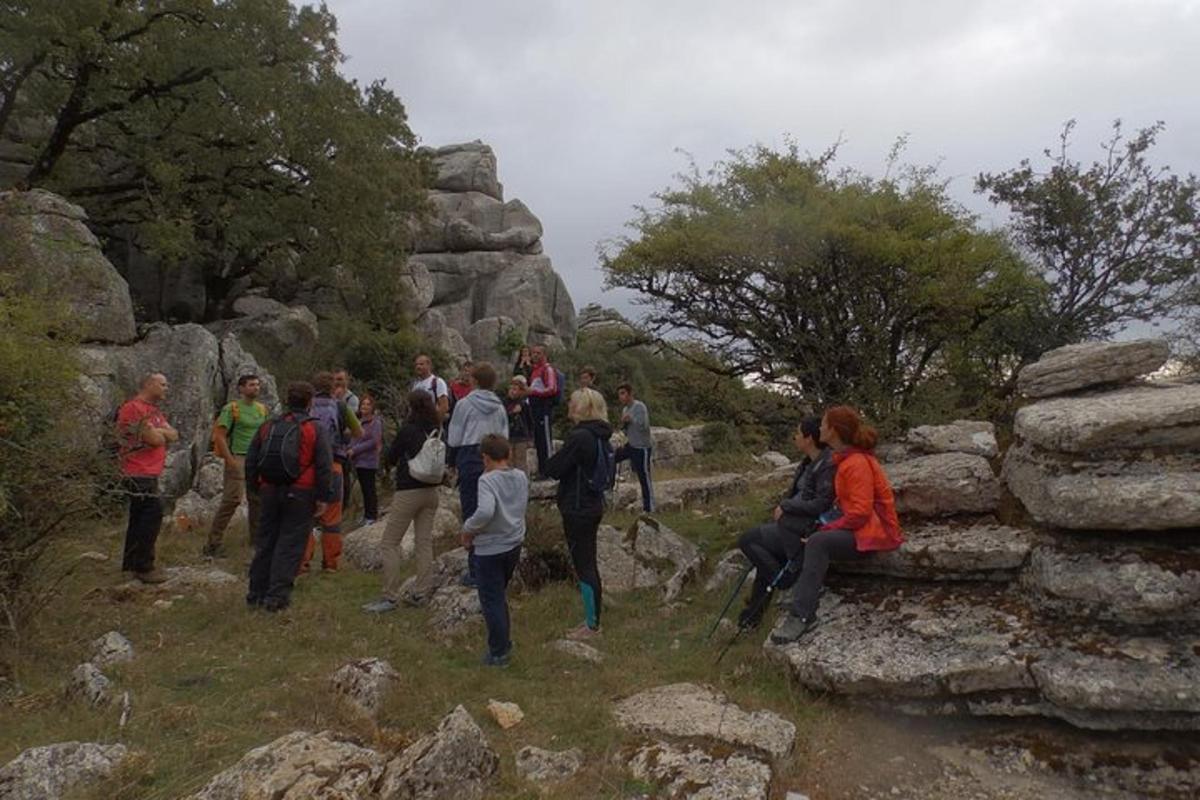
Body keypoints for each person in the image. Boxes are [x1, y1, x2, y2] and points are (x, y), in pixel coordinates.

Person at [770, 406, 904, 644]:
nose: (819, 427)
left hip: (874, 533)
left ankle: (802, 616)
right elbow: (844, 507)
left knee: (818, 542)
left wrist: (825, 529)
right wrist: (822, 523)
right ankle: (804, 584)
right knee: (793, 523)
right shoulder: (845, 460)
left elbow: (861, 514)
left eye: (823, 424)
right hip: (859, 528)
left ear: (833, 430)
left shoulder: (857, 463)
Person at [736, 416, 834, 629]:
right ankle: (751, 618)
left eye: (798, 433)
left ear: (809, 438)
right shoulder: (808, 462)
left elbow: (822, 503)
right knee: (765, 556)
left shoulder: (826, 464)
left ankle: (785, 581)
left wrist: (787, 507)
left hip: (803, 528)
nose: (795, 437)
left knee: (748, 540)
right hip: (790, 525)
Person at [245, 381, 334, 612]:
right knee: (290, 543)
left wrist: (255, 487)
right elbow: (324, 466)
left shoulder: (268, 426)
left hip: (269, 489)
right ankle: (277, 598)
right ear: (309, 402)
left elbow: (251, 459)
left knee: (265, 542)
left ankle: (255, 593)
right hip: (301, 492)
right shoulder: (314, 428)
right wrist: (324, 497)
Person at [542, 388, 613, 640]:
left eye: (572, 403)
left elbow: (555, 468)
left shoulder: (580, 436)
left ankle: (592, 626)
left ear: (582, 407)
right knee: (588, 563)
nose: (569, 406)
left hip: (578, 505)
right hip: (592, 503)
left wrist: (549, 461)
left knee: (584, 565)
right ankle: (591, 621)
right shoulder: (601, 435)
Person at [364, 390, 442, 613]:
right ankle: (422, 592)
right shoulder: (435, 429)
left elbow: (391, 456)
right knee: (424, 543)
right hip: (432, 491)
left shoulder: (408, 430)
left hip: (409, 490)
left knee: (390, 543)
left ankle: (389, 597)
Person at [461, 434, 529, 666]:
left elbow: (485, 512)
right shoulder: (520, 476)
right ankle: (504, 641)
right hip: (514, 542)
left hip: (490, 548)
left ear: (485, 458)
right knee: (500, 595)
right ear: (508, 454)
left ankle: (498, 652)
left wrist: (468, 529)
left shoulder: (487, 480)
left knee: (491, 600)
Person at [447, 362, 509, 587]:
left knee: (473, 512)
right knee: (492, 513)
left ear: (474, 380)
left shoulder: (464, 405)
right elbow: (504, 436)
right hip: (496, 457)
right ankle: (495, 567)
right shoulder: (499, 406)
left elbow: (454, 436)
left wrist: (451, 461)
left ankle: (475, 571)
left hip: (470, 455)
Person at [115, 373, 178, 583]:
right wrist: (160, 433)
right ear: (149, 384)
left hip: (150, 472)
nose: (166, 388)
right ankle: (144, 566)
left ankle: (130, 564)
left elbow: (174, 434)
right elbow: (153, 439)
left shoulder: (155, 411)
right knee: (153, 512)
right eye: (163, 384)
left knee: (139, 517)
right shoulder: (133, 408)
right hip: (136, 471)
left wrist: (159, 431)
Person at [298, 371, 362, 574]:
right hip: (334, 464)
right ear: (334, 388)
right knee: (332, 517)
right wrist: (343, 434)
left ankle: (303, 562)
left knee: (306, 515)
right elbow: (359, 432)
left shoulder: (306, 406)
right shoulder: (341, 406)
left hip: (307, 467)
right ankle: (330, 564)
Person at [203, 374, 269, 557]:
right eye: (251, 385)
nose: (255, 388)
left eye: (257, 385)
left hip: (258, 459)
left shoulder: (262, 409)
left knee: (257, 500)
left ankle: (256, 542)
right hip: (239, 457)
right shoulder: (231, 408)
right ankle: (213, 543)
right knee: (232, 499)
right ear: (241, 388)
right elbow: (220, 436)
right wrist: (230, 460)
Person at [614, 383, 654, 513]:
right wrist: (623, 427)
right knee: (612, 457)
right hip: (630, 444)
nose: (621, 397)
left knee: (644, 476)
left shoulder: (639, 407)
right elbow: (626, 429)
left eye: (623, 393)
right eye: (619, 394)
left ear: (630, 394)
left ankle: (649, 508)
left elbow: (644, 426)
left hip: (642, 446)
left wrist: (631, 420)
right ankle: (609, 488)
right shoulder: (625, 409)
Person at [349, 394, 383, 524]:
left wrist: (355, 449)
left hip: (368, 460)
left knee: (369, 488)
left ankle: (371, 515)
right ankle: (367, 514)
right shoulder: (358, 421)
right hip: (358, 460)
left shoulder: (375, 422)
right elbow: (354, 438)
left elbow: (373, 441)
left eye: (368, 404)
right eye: (363, 404)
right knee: (364, 488)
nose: (365, 406)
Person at [527, 345, 559, 477]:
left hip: (543, 409)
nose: (535, 355)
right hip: (534, 409)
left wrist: (533, 392)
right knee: (538, 440)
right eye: (533, 353)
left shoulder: (547, 369)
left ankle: (549, 470)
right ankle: (542, 470)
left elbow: (552, 388)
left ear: (544, 354)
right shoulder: (534, 370)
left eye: (538, 353)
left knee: (545, 440)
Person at [332, 368, 359, 509]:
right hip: (330, 444)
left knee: (344, 476)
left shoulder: (351, 399)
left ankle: (343, 507)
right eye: (336, 379)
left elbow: (351, 425)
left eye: (341, 379)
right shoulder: (328, 397)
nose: (338, 382)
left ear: (347, 380)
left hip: (344, 444)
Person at [505, 375, 535, 476]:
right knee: (509, 462)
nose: (512, 391)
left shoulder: (524, 405)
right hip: (508, 436)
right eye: (511, 389)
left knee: (521, 462)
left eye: (515, 389)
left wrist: (530, 437)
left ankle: (523, 482)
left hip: (521, 437)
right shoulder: (505, 403)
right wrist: (512, 412)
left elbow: (530, 421)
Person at [410, 353, 450, 420]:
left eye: (421, 364)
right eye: (416, 365)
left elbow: (444, 406)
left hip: (430, 423)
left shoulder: (438, 382)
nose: (418, 367)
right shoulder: (415, 384)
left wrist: (436, 423)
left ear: (429, 365)